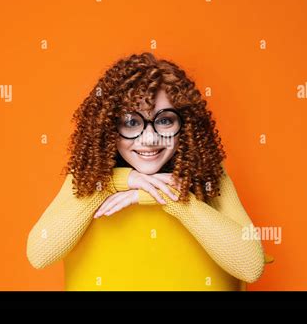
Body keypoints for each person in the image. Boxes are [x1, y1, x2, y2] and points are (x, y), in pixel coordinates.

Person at [26, 52, 267, 290]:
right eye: (132, 122)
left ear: (186, 124)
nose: (150, 139)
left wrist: (171, 197)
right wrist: (119, 181)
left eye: (164, 121)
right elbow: (40, 254)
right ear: (110, 127)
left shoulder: (206, 173)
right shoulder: (90, 174)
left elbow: (251, 266)